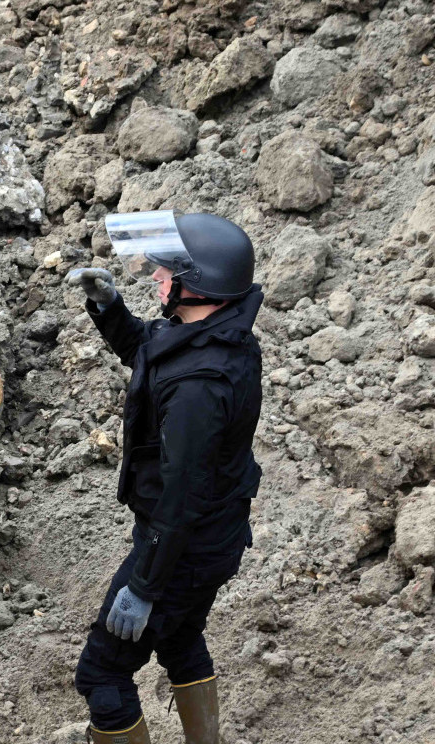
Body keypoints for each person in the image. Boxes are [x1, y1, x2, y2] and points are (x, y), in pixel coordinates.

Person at [63, 211, 263, 744]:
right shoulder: (216, 335)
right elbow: (149, 350)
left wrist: (145, 586)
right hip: (213, 539)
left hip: (183, 546)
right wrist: (109, 309)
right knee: (179, 637)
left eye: (166, 271)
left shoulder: (201, 386)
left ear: (196, 285)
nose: (155, 275)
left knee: (102, 673)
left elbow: (180, 498)